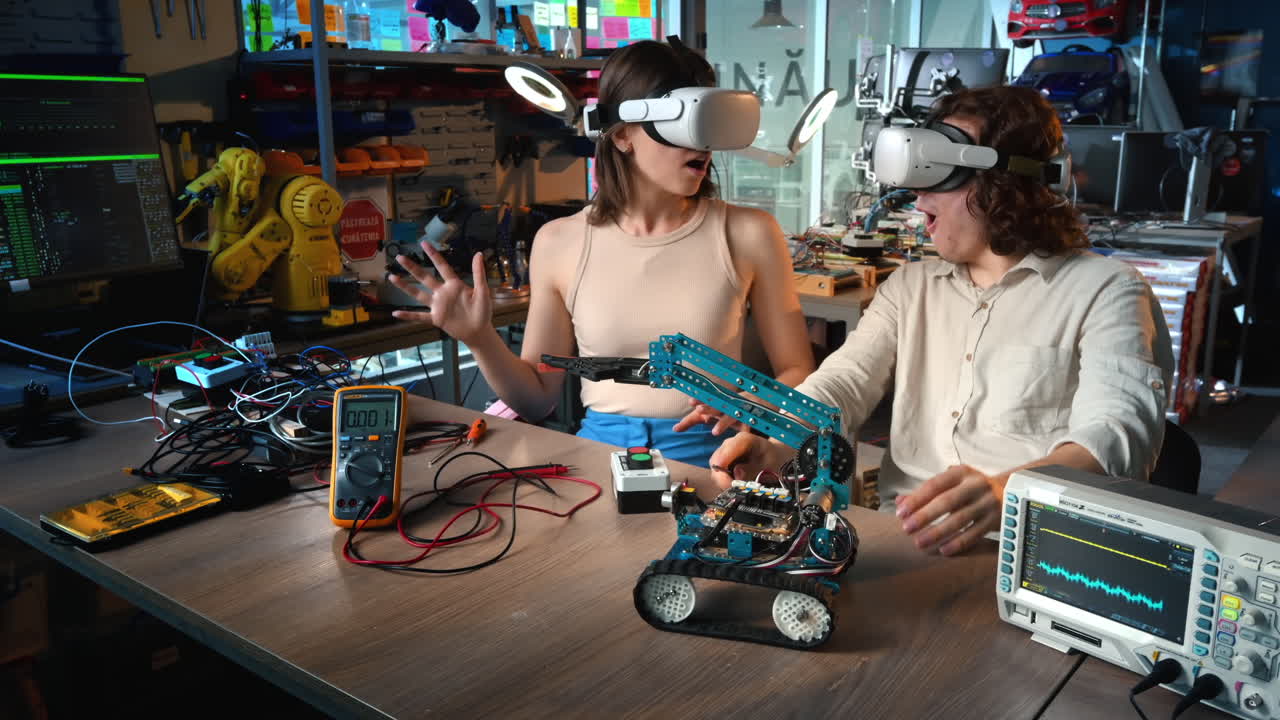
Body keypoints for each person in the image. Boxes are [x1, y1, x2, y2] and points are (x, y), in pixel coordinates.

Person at [706, 85, 1175, 554]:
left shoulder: (1107, 291)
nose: (917, 198)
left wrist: (1008, 493)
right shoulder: (910, 288)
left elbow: (1117, 435)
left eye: (941, 177)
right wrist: (779, 443)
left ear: (1010, 182)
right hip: (905, 543)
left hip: (1029, 554)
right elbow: (842, 384)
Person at [390, 40, 815, 467]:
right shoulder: (559, 243)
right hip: (599, 458)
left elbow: (799, 372)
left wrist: (747, 403)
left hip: (717, 458)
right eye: (683, 122)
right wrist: (479, 339)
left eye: (709, 122)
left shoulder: (749, 233)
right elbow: (539, 397)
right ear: (624, 133)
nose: (702, 144)